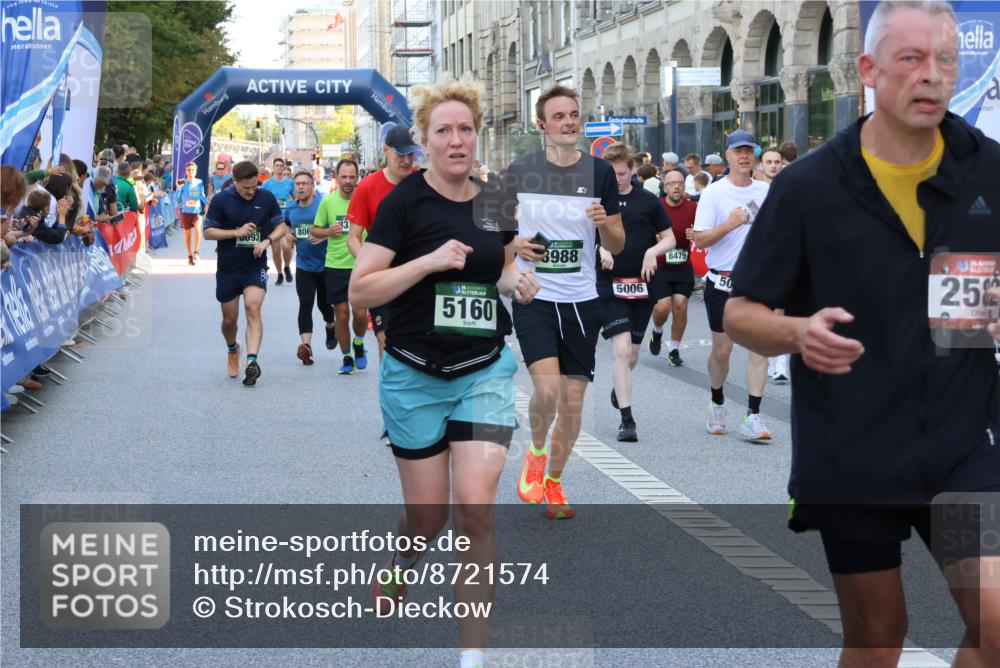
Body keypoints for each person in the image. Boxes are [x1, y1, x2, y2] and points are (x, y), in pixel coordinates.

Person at [725, 3, 1000, 666]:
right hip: (853, 446)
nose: (931, 75)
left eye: (945, 60)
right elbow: (740, 313)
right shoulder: (810, 185)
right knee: (878, 637)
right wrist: (797, 331)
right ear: (869, 70)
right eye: (912, 59)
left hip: (963, 443)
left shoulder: (988, 169)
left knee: (996, 622)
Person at [349, 74, 539, 668]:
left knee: (475, 509)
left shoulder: (497, 200)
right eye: (443, 131)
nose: (456, 141)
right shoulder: (404, 203)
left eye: (465, 130)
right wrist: (428, 262)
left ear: (477, 136)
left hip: (484, 369)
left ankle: (472, 657)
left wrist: (517, 282)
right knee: (428, 519)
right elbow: (361, 290)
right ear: (425, 141)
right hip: (414, 374)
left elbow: (496, 269)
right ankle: (403, 561)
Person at [506, 84, 625, 519]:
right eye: (559, 116)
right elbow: (493, 232)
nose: (569, 122)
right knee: (548, 389)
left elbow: (617, 241)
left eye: (574, 114)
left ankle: (554, 481)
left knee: (573, 404)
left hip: (583, 299)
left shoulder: (600, 173)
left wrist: (605, 225)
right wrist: (515, 246)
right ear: (542, 125)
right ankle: (537, 451)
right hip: (535, 296)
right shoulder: (520, 171)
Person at [688, 129, 772, 442]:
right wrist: (730, 224)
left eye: (749, 150)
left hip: (755, 283)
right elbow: (701, 239)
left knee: (759, 349)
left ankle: (753, 416)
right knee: (722, 351)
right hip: (721, 282)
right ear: (728, 156)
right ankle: (717, 401)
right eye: (738, 151)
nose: (744, 156)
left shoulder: (766, 191)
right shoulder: (714, 193)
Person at [597, 143, 675, 442]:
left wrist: (652, 252)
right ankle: (627, 420)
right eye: (611, 173)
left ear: (632, 170)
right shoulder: (598, 201)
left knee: (631, 354)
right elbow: (584, 236)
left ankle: (620, 387)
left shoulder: (648, 201)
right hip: (609, 283)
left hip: (642, 283)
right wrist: (601, 248)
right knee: (620, 349)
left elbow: (669, 239)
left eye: (621, 173)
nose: (616, 179)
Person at [202, 161, 287, 386]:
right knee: (229, 320)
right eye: (246, 188)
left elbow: (282, 226)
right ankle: (233, 349)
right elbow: (207, 232)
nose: (251, 192)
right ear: (235, 182)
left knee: (253, 307)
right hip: (228, 267)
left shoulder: (266, 197)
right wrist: (235, 232)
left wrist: (267, 241)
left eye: (254, 186)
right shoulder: (221, 200)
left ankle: (251, 362)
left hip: (254, 265)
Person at [346, 122, 420, 360]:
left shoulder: (424, 182)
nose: (407, 161)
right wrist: (370, 263)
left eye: (411, 154)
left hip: (419, 275)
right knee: (385, 339)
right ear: (386, 150)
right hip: (384, 277)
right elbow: (353, 237)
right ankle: (387, 384)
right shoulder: (367, 187)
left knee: (419, 340)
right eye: (401, 154)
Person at [313, 158, 369, 374]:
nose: (347, 181)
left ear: (357, 178)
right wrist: (328, 231)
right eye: (343, 177)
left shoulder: (365, 199)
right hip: (335, 265)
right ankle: (346, 357)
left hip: (361, 264)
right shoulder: (328, 202)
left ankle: (359, 342)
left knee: (361, 314)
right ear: (335, 177)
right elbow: (315, 230)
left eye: (351, 177)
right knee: (342, 313)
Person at [283, 169, 334, 365]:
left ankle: (331, 326)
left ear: (313, 186)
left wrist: (324, 235)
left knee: (324, 304)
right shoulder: (290, 208)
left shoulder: (324, 204)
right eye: (298, 184)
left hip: (326, 264)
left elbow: (339, 229)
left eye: (305, 183)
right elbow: (287, 226)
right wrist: (288, 235)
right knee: (305, 303)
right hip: (304, 264)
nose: (301, 187)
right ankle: (307, 347)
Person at [649, 168, 698, 366]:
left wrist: (696, 234)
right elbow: (644, 230)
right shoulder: (656, 206)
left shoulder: (693, 208)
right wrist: (654, 237)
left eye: (680, 183)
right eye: (672, 184)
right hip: (660, 266)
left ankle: (674, 349)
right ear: (665, 188)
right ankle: (657, 331)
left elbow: (704, 232)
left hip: (683, 266)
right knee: (663, 307)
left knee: (680, 306)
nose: (676, 187)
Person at [262, 157, 296, 285]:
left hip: (286, 219)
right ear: (273, 167)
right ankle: (280, 273)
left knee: (287, 247)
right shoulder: (267, 184)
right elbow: (262, 199)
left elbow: (296, 198)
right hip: (272, 220)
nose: (279, 167)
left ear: (284, 167)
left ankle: (287, 267)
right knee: (276, 251)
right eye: (276, 165)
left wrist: (293, 209)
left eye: (281, 165)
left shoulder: (290, 183)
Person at [176, 162, 208, 265]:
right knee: (188, 235)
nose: (190, 172)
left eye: (192, 170)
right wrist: (178, 189)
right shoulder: (182, 182)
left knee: (198, 229)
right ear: (186, 171)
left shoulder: (199, 182)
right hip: (186, 212)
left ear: (196, 171)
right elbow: (177, 198)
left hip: (197, 211)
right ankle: (189, 255)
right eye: (188, 170)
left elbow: (202, 195)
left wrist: (207, 203)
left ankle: (196, 252)